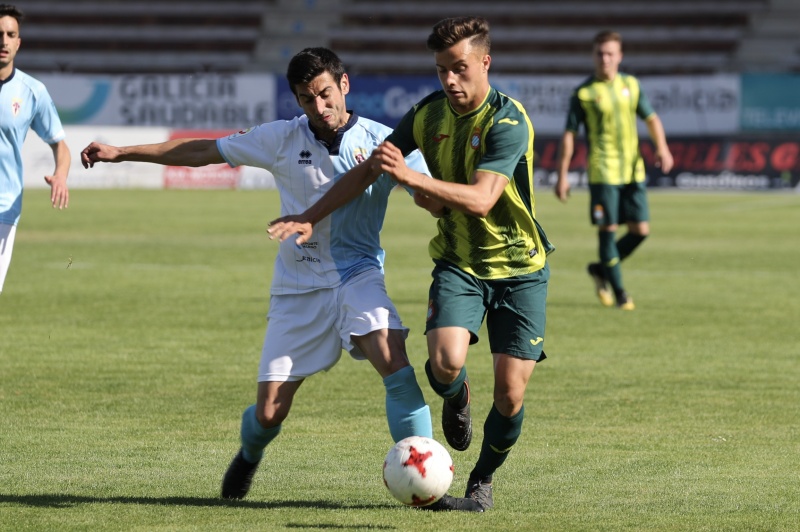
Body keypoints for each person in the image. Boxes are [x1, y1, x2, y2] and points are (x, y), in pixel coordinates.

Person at [80, 47, 433, 501]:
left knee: (393, 360)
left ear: (344, 85)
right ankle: (249, 454)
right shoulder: (281, 138)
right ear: (297, 100)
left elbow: (430, 194)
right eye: (307, 99)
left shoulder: (384, 141)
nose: (319, 106)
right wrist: (122, 152)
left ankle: (427, 481)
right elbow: (203, 149)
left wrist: (432, 191)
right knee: (269, 413)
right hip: (298, 286)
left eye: (325, 93)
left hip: (357, 274)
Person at [268, 17, 553, 512]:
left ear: (485, 62)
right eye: (442, 69)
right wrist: (310, 217)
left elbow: (483, 200)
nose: (450, 79)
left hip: (520, 269)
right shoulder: (426, 114)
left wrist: (411, 178)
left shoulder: (508, 121)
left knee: (510, 395)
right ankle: (456, 395)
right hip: (459, 263)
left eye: (460, 68)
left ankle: (481, 478)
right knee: (444, 365)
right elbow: (368, 171)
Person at [555, 30, 674, 310]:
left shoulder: (631, 85)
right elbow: (569, 135)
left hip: (633, 170)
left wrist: (662, 147)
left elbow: (651, 118)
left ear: (619, 56)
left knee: (640, 231)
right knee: (607, 230)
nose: (605, 59)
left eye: (610, 53)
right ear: (593, 56)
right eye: (600, 53)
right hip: (603, 172)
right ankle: (621, 293)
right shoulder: (584, 93)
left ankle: (600, 269)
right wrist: (562, 175)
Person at [0, 4, 70, 294]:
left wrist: (61, 175)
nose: (3, 41)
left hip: (3, 208)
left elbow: (60, 144)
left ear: (18, 42)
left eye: (10, 34)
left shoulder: (32, 91)